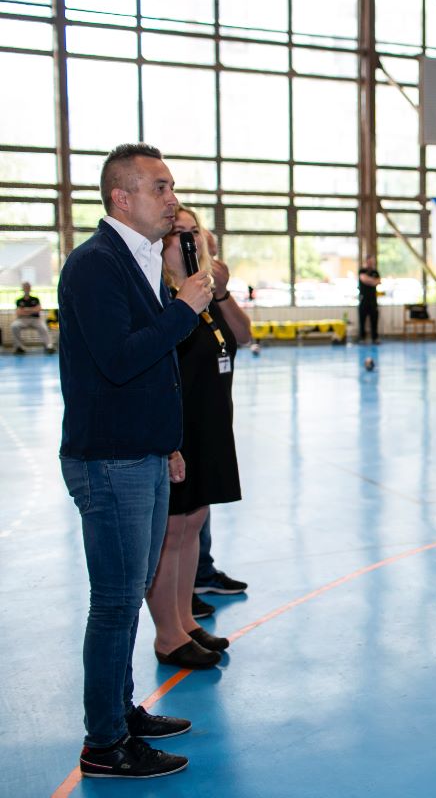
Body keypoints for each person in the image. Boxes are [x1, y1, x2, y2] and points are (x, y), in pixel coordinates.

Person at [59, 143, 214, 779]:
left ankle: (119, 713)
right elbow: (120, 360)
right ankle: (104, 743)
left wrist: (166, 440)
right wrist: (185, 309)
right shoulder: (96, 265)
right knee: (116, 602)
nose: (171, 200)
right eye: (159, 188)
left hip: (141, 452)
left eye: (171, 187)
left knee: (126, 595)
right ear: (122, 198)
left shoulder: (139, 259)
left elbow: (149, 368)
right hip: (110, 460)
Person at [145, 204, 251, 672]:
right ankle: (167, 634)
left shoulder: (204, 293)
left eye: (195, 231)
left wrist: (221, 292)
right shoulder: (158, 293)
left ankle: (185, 620)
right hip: (178, 428)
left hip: (211, 424)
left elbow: (241, 337)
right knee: (170, 530)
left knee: (193, 524)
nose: (189, 239)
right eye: (179, 232)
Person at [192, 227, 251, 615]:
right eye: (203, 250)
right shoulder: (175, 296)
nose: (212, 260)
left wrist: (223, 292)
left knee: (199, 506)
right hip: (185, 419)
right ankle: (179, 595)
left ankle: (201, 571)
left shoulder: (212, 297)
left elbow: (244, 335)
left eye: (214, 252)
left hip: (214, 416)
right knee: (180, 515)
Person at [10, 281, 55, 354]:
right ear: (23, 289)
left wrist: (25, 310)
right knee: (14, 326)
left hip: (35, 319)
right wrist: (32, 310)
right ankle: (19, 347)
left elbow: (38, 310)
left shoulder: (35, 299)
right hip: (22, 319)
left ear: (30, 288)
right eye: (25, 287)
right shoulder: (19, 300)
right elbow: (18, 312)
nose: (26, 289)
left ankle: (49, 346)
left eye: (28, 287)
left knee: (43, 327)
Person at [356, 256, 380, 344]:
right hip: (363, 300)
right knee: (362, 320)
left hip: (373, 301)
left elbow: (377, 281)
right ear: (365, 262)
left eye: (371, 262)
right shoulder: (362, 271)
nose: (370, 263)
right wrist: (372, 281)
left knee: (374, 320)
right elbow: (364, 279)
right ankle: (362, 338)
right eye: (368, 261)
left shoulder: (375, 272)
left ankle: (375, 338)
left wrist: (369, 280)